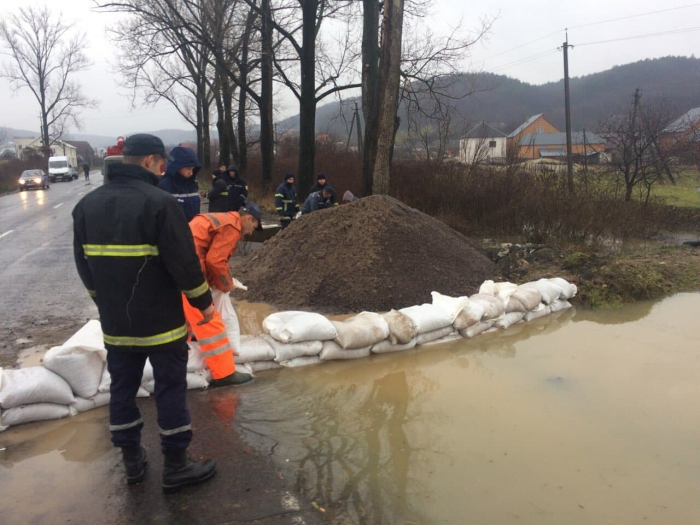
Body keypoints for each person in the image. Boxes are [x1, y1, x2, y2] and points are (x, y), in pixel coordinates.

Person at [72, 134, 217, 494]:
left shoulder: (86, 206)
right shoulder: (160, 203)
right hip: (162, 324)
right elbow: (183, 263)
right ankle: (176, 466)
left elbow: (84, 265)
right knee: (169, 388)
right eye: (162, 162)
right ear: (151, 161)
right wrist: (203, 303)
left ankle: (132, 463)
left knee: (122, 389)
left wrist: (102, 301)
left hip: (117, 324)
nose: (164, 168)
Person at [184, 204, 264, 387]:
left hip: (180, 268)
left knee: (186, 319)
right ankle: (224, 373)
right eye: (254, 226)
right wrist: (226, 285)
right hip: (190, 272)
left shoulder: (223, 219)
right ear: (248, 219)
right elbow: (215, 261)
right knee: (210, 319)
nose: (251, 233)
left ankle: (187, 345)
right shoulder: (232, 226)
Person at [158, 146, 202, 222]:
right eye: (188, 168)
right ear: (176, 166)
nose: (191, 173)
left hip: (193, 230)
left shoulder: (192, 185)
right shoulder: (163, 186)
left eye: (193, 169)